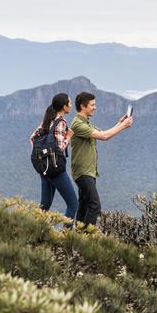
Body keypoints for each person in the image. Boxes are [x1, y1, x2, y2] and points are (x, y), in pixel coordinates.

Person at [71, 92, 133, 226]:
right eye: (92, 105)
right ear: (83, 106)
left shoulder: (86, 123)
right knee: (95, 206)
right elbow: (104, 136)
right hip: (83, 172)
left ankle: (77, 240)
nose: (95, 107)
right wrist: (123, 126)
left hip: (89, 171)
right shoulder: (78, 124)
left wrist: (120, 123)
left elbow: (104, 132)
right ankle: (87, 239)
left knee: (84, 206)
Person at [30, 93, 79, 223]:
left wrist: (43, 153)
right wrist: (68, 137)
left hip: (44, 169)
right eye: (69, 103)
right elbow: (59, 147)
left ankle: (34, 233)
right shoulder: (61, 122)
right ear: (64, 107)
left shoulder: (47, 120)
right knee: (73, 204)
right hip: (56, 169)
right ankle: (66, 236)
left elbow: (32, 139)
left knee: (44, 206)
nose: (71, 105)